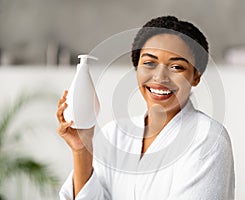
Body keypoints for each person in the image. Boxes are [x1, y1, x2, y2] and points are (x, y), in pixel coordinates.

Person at [57, 15, 235, 200]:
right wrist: (81, 150)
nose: (160, 77)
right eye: (149, 63)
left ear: (196, 76)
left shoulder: (208, 138)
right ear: (137, 67)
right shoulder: (115, 135)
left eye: (176, 66)